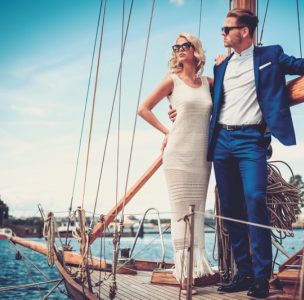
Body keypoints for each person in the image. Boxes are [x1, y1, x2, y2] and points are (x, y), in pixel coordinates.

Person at [208, 8, 304, 298]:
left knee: (255, 199)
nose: (222, 33)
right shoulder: (220, 66)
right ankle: (242, 273)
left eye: (226, 29)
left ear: (244, 31)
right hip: (222, 139)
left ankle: (261, 276)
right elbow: (214, 99)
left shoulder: (270, 55)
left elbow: (298, 63)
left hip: (251, 140)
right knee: (230, 208)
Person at [137, 33, 214, 294]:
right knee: (181, 214)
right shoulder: (172, 81)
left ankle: (198, 269)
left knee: (198, 213)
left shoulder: (208, 83)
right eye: (177, 47)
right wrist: (166, 131)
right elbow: (143, 108)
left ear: (196, 50)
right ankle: (184, 274)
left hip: (202, 157)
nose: (180, 50)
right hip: (178, 154)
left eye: (185, 45)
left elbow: (232, 92)